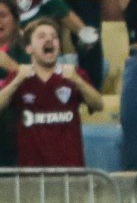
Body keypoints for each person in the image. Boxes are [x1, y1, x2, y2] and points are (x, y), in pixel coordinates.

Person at [0, 18, 100, 166]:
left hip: (70, 174)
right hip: (31, 175)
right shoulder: (19, 77)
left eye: (54, 37)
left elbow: (98, 104)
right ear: (29, 48)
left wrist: (78, 81)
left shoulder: (74, 74)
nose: (49, 40)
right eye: (41, 36)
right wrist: (17, 80)